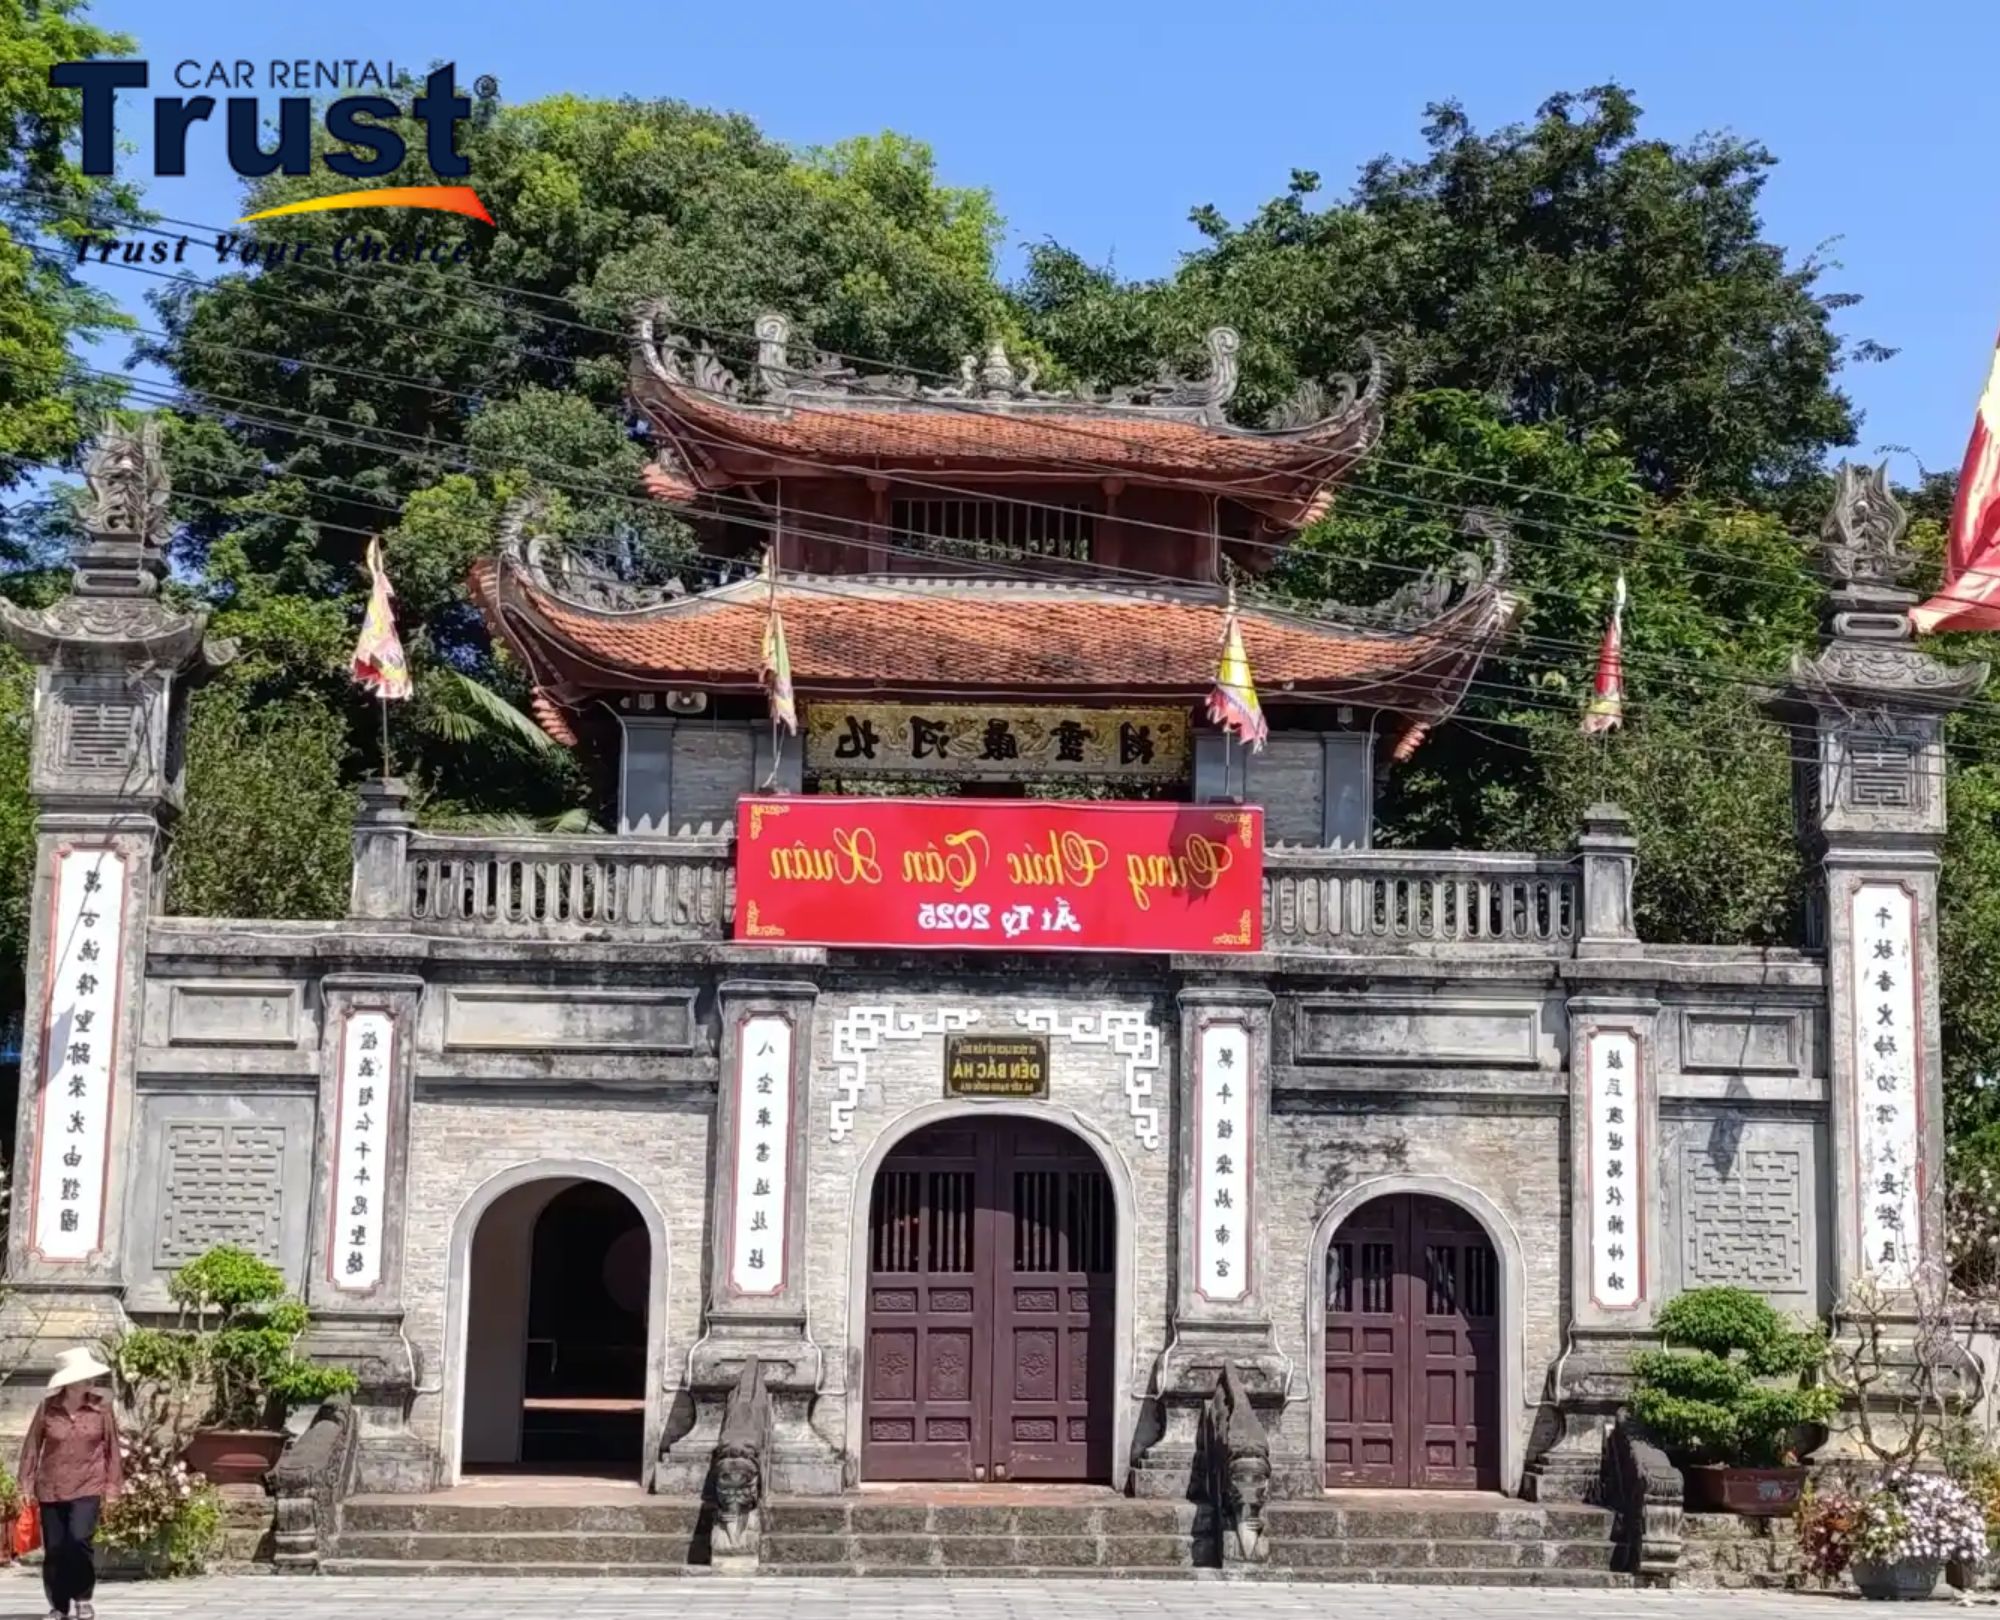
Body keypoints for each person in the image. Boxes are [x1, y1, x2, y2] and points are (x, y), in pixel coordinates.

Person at [17, 1347, 121, 1620]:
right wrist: (25, 1484)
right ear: (69, 1381)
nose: (91, 1381)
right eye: (84, 1377)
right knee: (55, 1549)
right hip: (51, 1487)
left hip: (88, 1485)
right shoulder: (47, 1408)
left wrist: (112, 1489)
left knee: (78, 1540)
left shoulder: (101, 1408)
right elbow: (32, 1447)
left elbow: (112, 1449)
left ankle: (83, 1598)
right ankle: (59, 1605)